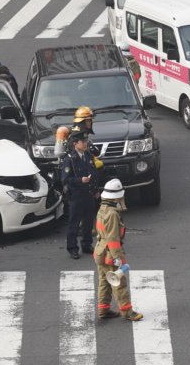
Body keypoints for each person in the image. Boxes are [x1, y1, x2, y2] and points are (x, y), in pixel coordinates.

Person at [93, 178, 142, 321]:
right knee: (118, 282)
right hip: (109, 254)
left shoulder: (102, 209)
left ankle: (104, 310)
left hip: (100, 251)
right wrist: (118, 258)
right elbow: (113, 238)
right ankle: (128, 312)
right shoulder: (113, 214)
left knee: (104, 281)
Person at [59, 132, 101, 260]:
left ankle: (87, 245)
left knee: (88, 222)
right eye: (83, 142)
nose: (85, 144)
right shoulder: (70, 159)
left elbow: (93, 173)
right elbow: (65, 180)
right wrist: (80, 180)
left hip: (88, 194)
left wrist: (95, 190)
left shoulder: (87, 156)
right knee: (74, 223)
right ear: (75, 144)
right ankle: (72, 248)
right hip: (76, 196)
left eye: (86, 141)